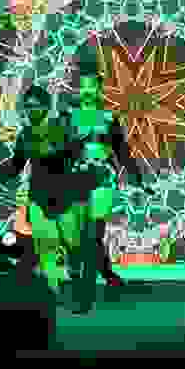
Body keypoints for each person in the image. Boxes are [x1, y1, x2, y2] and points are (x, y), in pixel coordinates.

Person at [65, 53, 145, 314]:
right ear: (79, 89)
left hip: (101, 183)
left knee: (92, 237)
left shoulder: (110, 118)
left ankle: (84, 295)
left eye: (92, 87)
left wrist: (138, 179)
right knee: (79, 240)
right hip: (74, 183)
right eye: (84, 87)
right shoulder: (68, 117)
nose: (88, 92)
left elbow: (123, 153)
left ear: (100, 89)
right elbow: (57, 152)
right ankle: (109, 275)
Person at [0, 84, 81, 294]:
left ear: (46, 106)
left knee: (74, 245)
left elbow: (73, 153)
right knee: (46, 248)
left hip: (66, 198)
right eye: (28, 106)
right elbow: (16, 164)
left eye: (36, 106)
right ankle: (55, 294)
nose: (31, 110)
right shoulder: (25, 135)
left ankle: (77, 282)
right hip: (39, 199)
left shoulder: (60, 128)